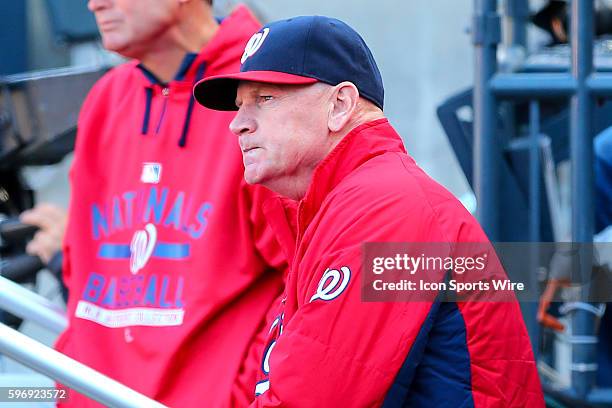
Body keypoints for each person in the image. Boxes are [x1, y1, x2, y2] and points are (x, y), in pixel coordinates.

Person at [194, 16, 545, 406]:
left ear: (340, 104)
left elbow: (309, 400)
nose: (237, 125)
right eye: (240, 106)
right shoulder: (347, 206)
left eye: (265, 99)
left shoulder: (386, 212)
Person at [23, 1, 286, 406]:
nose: (95, 3)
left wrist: (237, 394)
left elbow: (307, 280)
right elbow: (87, 267)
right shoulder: (106, 99)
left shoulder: (261, 95)